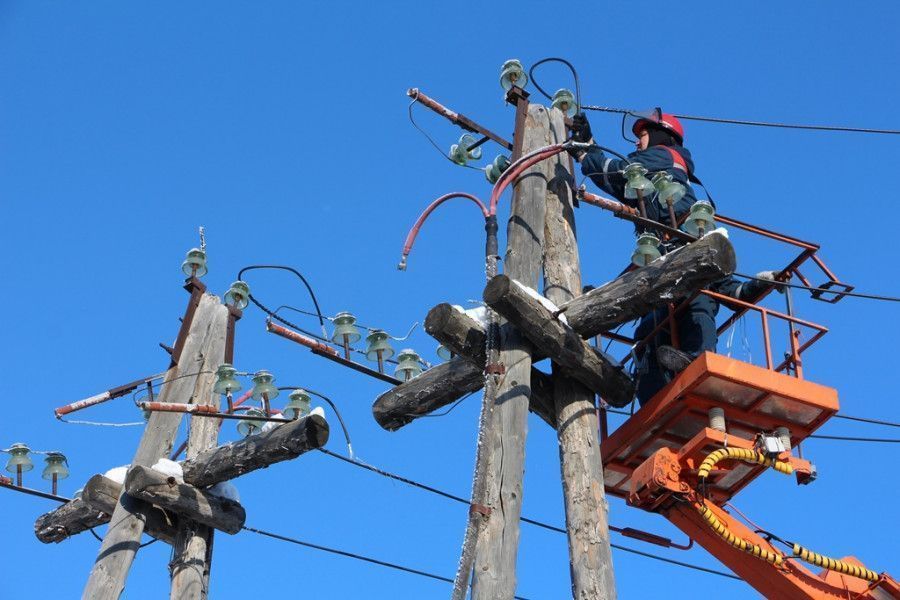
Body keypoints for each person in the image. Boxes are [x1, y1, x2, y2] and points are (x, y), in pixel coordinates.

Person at [570, 111, 781, 404]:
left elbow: (622, 173)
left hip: (684, 248)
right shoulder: (654, 177)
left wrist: (587, 153)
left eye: (642, 135)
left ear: (661, 135)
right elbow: (623, 184)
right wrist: (588, 148)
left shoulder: (665, 156)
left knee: (697, 301)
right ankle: (653, 391)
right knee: (649, 330)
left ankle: (695, 361)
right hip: (666, 263)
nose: (637, 141)